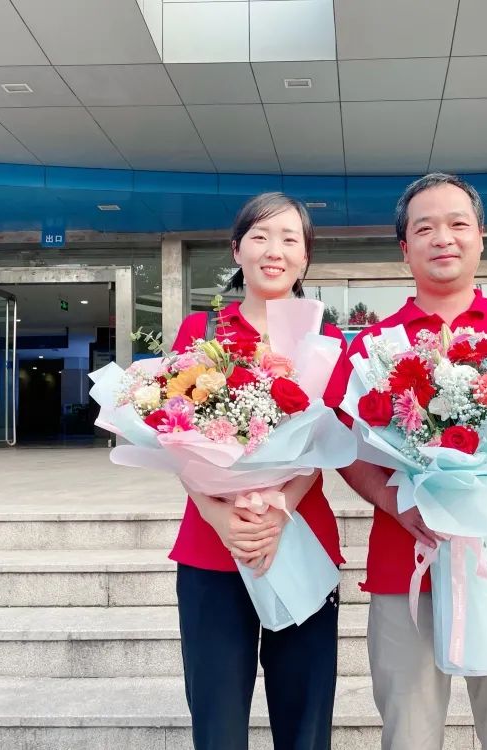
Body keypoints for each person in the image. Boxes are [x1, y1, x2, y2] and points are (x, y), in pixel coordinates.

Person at [338, 173, 487, 750]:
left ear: (480, 238)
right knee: (409, 731)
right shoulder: (373, 347)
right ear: (405, 249)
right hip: (406, 559)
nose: (442, 238)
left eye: (457, 224)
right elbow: (346, 447)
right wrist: (397, 503)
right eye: (425, 228)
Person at [169, 192, 348, 750]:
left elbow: (326, 444)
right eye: (260, 237)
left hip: (300, 541)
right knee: (217, 724)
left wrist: (280, 508)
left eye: (290, 239)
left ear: (305, 257)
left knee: (305, 725)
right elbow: (174, 437)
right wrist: (220, 517)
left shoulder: (327, 342)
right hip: (212, 548)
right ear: (236, 249)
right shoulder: (201, 333)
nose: (275, 251)